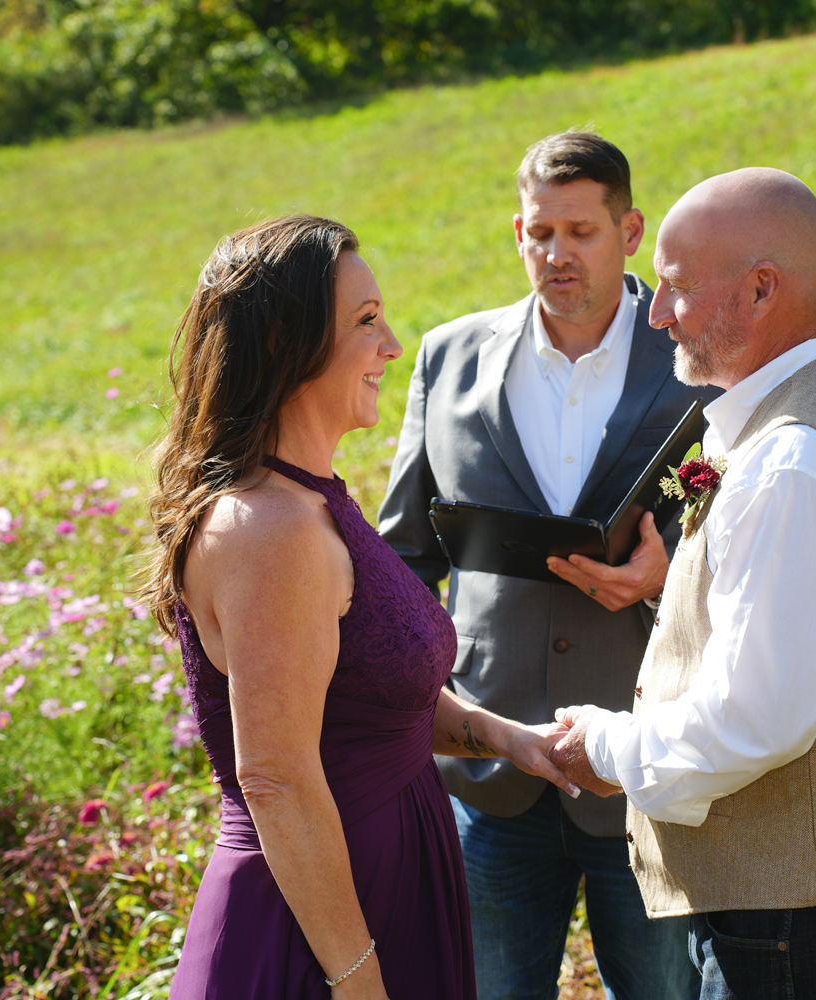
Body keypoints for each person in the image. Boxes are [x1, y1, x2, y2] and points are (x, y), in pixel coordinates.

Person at [549, 168, 816, 999]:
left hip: (809, 906)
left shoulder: (794, 461)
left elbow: (751, 722)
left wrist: (605, 746)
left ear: (761, 289)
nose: (656, 313)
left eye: (673, 288)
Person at [143, 215, 576, 1000]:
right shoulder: (269, 532)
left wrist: (512, 740)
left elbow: (370, 690)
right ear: (284, 342)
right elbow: (275, 779)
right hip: (314, 935)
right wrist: (357, 979)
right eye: (366, 321)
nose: (393, 346)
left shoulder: (311, 503)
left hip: (383, 892)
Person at [378, 133, 710, 1000]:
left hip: (645, 761)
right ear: (515, 233)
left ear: (631, 230)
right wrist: (412, 712)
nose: (557, 253)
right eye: (539, 233)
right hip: (484, 766)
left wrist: (666, 569)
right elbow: (403, 557)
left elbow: (749, 530)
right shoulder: (447, 356)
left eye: (581, 231)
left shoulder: (698, 360)